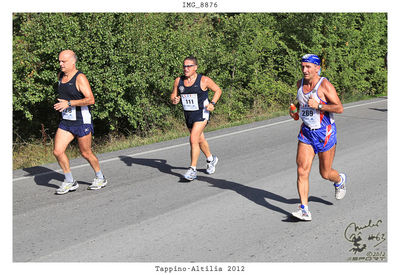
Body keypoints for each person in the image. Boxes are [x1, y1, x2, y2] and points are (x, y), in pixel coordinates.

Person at [290, 54, 347, 221]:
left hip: (325, 133)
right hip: (307, 132)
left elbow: (339, 108)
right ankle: (304, 209)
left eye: (308, 67)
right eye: (302, 66)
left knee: (325, 173)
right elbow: (302, 104)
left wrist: (320, 105)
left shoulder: (325, 85)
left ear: (317, 68)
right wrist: (295, 110)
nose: (304, 70)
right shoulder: (300, 84)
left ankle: (339, 180)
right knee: (302, 170)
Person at [53, 50, 107, 194]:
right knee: (58, 151)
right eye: (59, 61)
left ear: (73, 61)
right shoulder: (60, 76)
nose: (60, 64)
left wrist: (69, 104)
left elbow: (91, 99)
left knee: (85, 153)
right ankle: (70, 181)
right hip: (66, 122)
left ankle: (100, 177)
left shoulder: (80, 78)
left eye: (63, 61)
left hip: (82, 121)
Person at [171, 56, 222, 181]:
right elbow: (173, 94)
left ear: (195, 67)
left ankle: (192, 170)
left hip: (202, 113)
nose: (186, 68)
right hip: (188, 114)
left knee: (193, 138)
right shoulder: (179, 81)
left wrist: (213, 104)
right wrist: (174, 99)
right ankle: (211, 159)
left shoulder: (203, 80)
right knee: (199, 139)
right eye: (184, 66)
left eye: (189, 66)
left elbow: (218, 90)